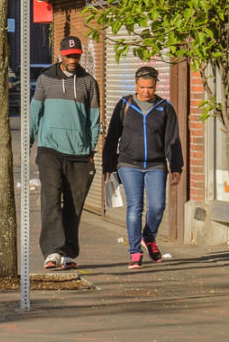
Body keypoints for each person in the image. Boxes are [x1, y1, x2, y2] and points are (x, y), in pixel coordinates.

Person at [29, 35, 100, 269]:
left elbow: (94, 119)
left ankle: (68, 252)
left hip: (79, 152)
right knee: (51, 199)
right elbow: (34, 112)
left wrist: (91, 149)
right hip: (49, 149)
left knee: (73, 204)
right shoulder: (45, 79)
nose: (73, 59)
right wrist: (28, 142)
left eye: (77, 55)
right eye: (69, 55)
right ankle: (52, 251)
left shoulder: (88, 82)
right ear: (60, 54)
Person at [101, 65, 182, 268]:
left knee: (157, 206)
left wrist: (176, 167)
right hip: (129, 164)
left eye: (150, 87)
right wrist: (108, 166)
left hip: (156, 164)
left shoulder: (165, 108)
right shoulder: (124, 105)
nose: (146, 91)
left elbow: (173, 140)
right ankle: (135, 252)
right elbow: (112, 137)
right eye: (142, 87)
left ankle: (149, 237)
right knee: (134, 207)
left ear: (156, 86)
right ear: (136, 84)